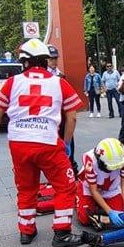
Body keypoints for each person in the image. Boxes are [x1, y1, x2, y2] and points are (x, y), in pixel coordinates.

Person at [0, 38, 85, 247]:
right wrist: (66, 142)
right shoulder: (59, 83)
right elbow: (72, 116)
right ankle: (62, 233)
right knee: (65, 186)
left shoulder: (13, 82)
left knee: (26, 187)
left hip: (19, 143)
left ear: (25, 61)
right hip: (48, 143)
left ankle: (26, 231)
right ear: (45, 60)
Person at [76, 137, 124, 230]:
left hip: (110, 190)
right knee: (84, 219)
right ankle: (78, 195)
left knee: (122, 217)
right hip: (89, 189)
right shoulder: (90, 160)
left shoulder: (123, 159)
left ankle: (99, 212)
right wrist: (109, 211)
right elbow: (94, 191)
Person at [47, 44, 78, 172]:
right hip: (49, 116)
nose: (54, 61)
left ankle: (70, 169)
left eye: (55, 58)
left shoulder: (61, 76)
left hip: (63, 116)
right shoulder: (44, 77)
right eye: (51, 58)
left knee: (68, 142)